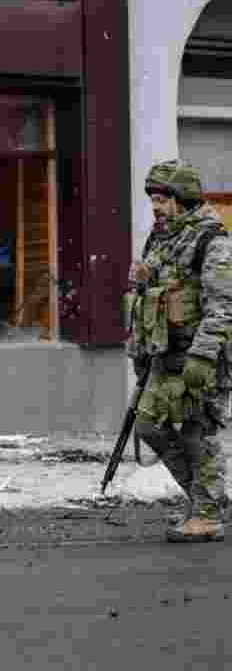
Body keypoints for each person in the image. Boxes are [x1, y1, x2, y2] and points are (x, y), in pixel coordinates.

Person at [127, 159, 232, 543]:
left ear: (184, 198)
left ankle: (207, 513)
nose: (155, 206)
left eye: (163, 198)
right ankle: (206, 500)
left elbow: (223, 306)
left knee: (196, 432)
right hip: (162, 354)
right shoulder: (161, 237)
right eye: (153, 198)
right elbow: (152, 295)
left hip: (197, 357)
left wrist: (203, 358)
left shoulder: (212, 240)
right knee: (148, 426)